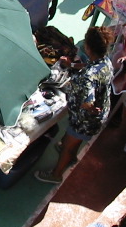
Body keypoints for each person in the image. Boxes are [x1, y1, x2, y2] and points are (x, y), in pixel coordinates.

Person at [34, 26, 115, 184]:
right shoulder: (104, 62)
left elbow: (88, 102)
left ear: (88, 47)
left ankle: (56, 174)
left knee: (68, 146)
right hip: (94, 116)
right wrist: (70, 65)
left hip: (84, 120)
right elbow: (88, 67)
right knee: (72, 141)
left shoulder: (88, 78)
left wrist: (88, 105)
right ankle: (70, 156)